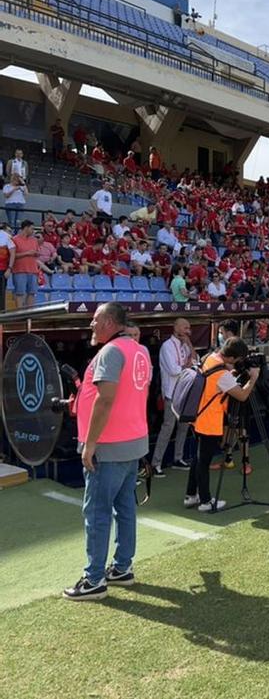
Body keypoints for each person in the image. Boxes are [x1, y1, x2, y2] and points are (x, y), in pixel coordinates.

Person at [63, 302, 153, 600]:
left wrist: (89, 444)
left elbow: (105, 400)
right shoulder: (140, 350)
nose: (91, 325)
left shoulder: (111, 352)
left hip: (109, 446)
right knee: (125, 507)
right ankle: (122, 568)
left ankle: (93, 580)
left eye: (95, 320)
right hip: (133, 442)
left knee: (98, 512)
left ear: (111, 322)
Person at [183, 338, 258, 514]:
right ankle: (205, 500)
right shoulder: (222, 374)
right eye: (238, 359)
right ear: (231, 358)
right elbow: (241, 395)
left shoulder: (210, 358)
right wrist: (253, 378)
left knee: (199, 458)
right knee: (204, 461)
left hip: (198, 415)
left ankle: (190, 495)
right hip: (209, 420)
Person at [149, 318, 199, 474]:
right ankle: (155, 464)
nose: (187, 330)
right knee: (168, 428)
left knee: (183, 427)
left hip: (185, 392)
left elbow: (196, 361)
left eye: (189, 328)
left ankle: (178, 458)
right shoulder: (167, 346)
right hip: (172, 393)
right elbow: (174, 370)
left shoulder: (185, 344)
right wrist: (188, 366)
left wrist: (189, 343)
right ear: (175, 327)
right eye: (185, 327)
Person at [10, 220, 41, 309]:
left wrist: (36, 253)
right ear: (26, 228)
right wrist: (27, 253)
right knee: (20, 293)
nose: (33, 231)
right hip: (20, 270)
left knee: (32, 292)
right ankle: (20, 313)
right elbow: (12, 255)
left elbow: (36, 252)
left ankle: (29, 314)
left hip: (33, 270)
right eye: (32, 229)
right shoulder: (14, 239)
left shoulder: (34, 240)